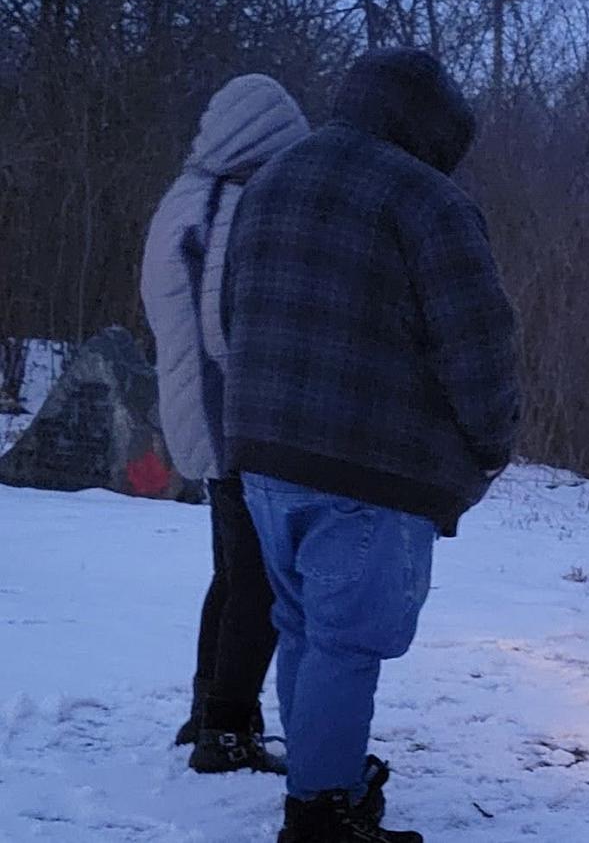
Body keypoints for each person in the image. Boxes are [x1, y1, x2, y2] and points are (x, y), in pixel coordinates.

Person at [223, 48, 519, 843]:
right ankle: (322, 816)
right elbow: (479, 345)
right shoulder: (427, 200)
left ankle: (329, 784)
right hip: (370, 470)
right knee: (347, 645)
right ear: (429, 128)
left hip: (264, 455)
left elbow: (232, 315)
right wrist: (491, 445)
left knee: (304, 631)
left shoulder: (270, 181)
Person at [141, 74, 310, 773]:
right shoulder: (228, 206)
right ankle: (227, 730)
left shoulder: (186, 195)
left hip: (201, 411)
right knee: (261, 581)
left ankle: (209, 713)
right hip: (233, 416)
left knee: (233, 574)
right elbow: (224, 332)